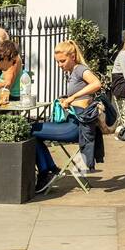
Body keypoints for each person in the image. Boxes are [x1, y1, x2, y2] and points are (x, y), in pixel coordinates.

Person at [33, 40, 104, 193]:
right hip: (74, 122)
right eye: (57, 62)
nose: (60, 65)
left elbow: (96, 84)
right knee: (32, 131)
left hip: (75, 126)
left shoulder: (80, 69)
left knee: (30, 130)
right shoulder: (73, 72)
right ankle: (49, 169)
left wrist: (71, 99)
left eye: (62, 61)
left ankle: (46, 172)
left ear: (72, 56)